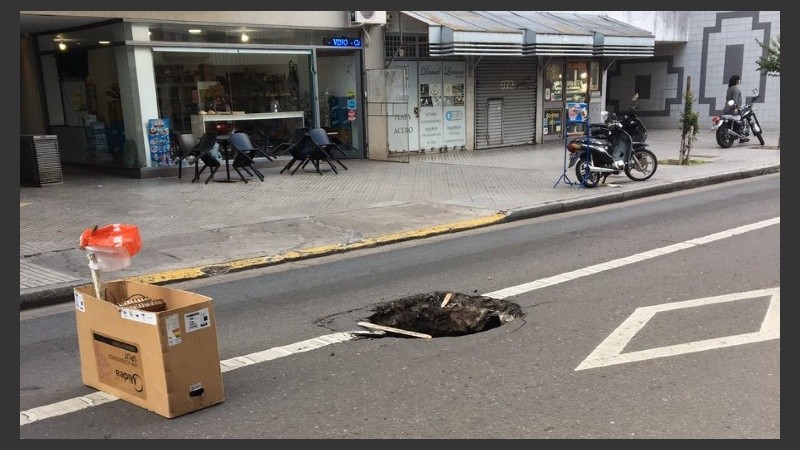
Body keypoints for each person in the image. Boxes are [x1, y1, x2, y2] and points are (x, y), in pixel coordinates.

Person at [723, 75, 749, 143]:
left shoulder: (729, 88)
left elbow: (727, 99)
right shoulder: (736, 89)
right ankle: (742, 136)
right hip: (733, 109)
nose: (740, 81)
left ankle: (738, 133)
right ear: (736, 80)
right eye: (739, 79)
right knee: (743, 118)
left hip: (726, 108)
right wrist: (736, 108)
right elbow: (735, 100)